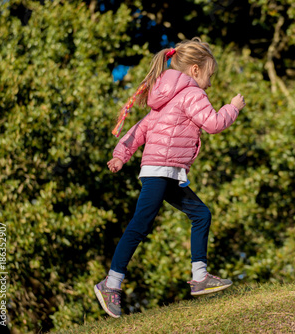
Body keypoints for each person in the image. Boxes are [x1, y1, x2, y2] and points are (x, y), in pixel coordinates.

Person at [94, 37, 246, 318]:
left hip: (168, 172)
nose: (211, 83)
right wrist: (233, 107)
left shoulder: (167, 98)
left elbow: (140, 128)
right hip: (161, 171)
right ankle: (110, 284)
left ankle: (200, 278)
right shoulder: (192, 94)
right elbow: (213, 124)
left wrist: (120, 155)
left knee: (201, 214)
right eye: (210, 75)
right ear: (196, 70)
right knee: (140, 225)